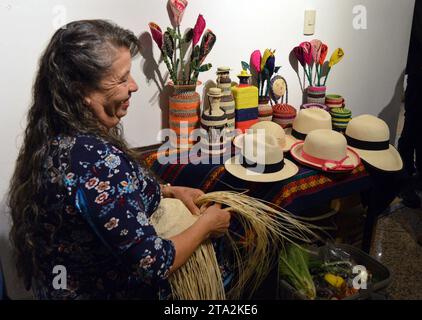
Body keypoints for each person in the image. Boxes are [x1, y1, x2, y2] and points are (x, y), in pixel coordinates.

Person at [7, 20, 231, 300]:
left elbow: (105, 200)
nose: (134, 86)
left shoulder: (58, 137)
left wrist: (169, 190)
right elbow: (153, 263)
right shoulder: (93, 161)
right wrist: (207, 225)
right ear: (81, 91)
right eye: (122, 78)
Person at [398, 0, 422, 208]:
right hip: (419, 74)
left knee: (414, 127)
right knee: (413, 126)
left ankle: (411, 177)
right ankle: (404, 179)